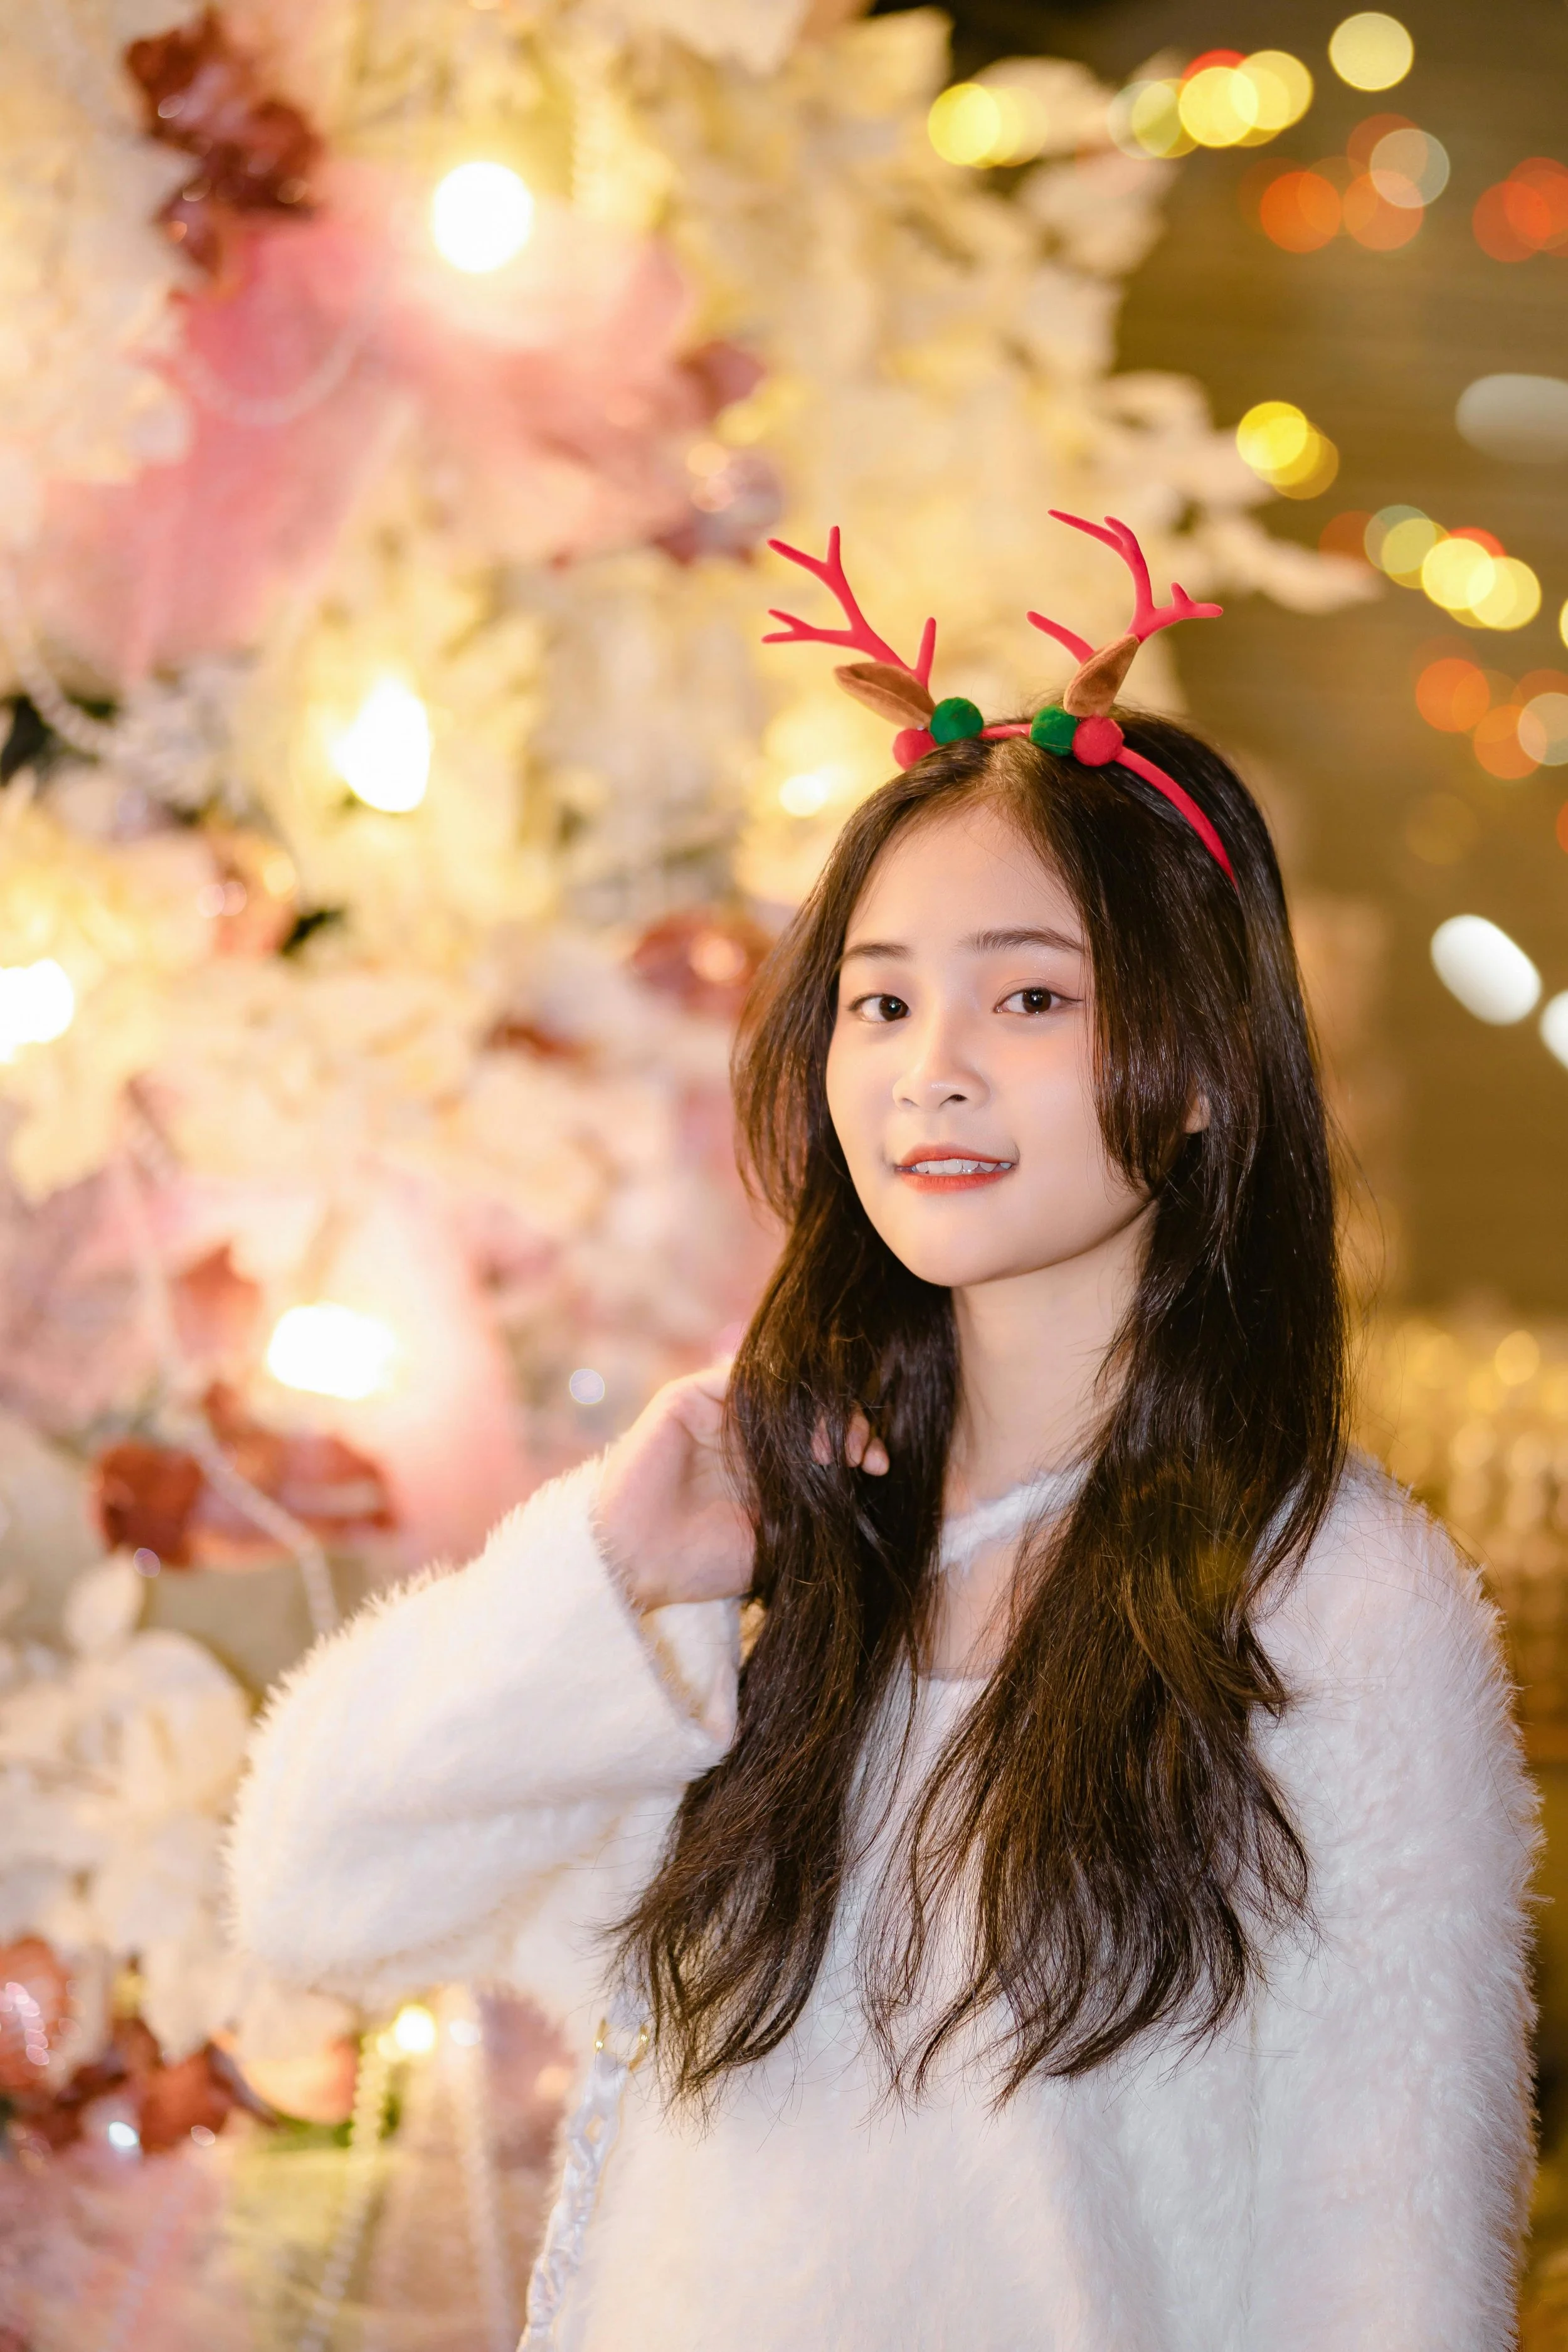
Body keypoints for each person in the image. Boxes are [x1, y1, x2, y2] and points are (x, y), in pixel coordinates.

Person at [230, 524, 1537, 2351]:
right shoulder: (770, 1563)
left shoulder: (1331, 1603)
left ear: (1197, 1059)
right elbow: (313, 1898)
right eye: (880, 996)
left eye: (1026, 995)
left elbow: (1383, 2280)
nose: (930, 1063)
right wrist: (606, 1583)